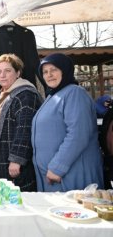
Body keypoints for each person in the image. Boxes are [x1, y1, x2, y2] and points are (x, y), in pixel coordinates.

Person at [32, 53, 104, 192]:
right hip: (54, 178)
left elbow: (78, 134)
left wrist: (57, 168)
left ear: (64, 70)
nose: (49, 75)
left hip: (70, 174)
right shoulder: (53, 96)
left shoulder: (74, 93)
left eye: (54, 70)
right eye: (45, 72)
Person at [0, 54, 41, 191]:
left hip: (14, 162)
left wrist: (17, 160)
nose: (3, 75)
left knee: (18, 198)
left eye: (8, 71)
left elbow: (25, 128)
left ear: (18, 73)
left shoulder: (26, 95)